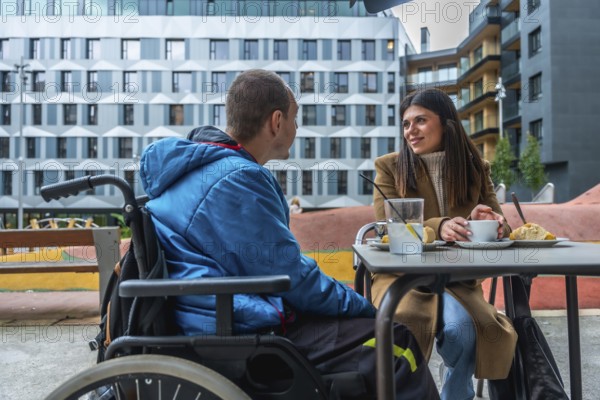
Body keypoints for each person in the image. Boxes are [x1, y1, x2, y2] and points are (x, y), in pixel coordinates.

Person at [140, 70, 439, 399]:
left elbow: (279, 269)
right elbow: (292, 277)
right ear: (277, 121)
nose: (296, 129)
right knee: (396, 341)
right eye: (295, 119)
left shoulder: (199, 171)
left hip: (213, 314)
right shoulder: (236, 179)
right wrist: (367, 308)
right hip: (236, 331)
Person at [372, 88, 517, 400]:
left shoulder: (475, 166)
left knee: (462, 331)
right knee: (408, 328)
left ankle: (456, 393)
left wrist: (487, 219)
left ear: (447, 123)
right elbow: (390, 228)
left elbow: (501, 223)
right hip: (404, 278)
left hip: (457, 279)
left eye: (420, 120)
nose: (410, 130)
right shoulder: (388, 166)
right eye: (406, 124)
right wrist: (440, 227)